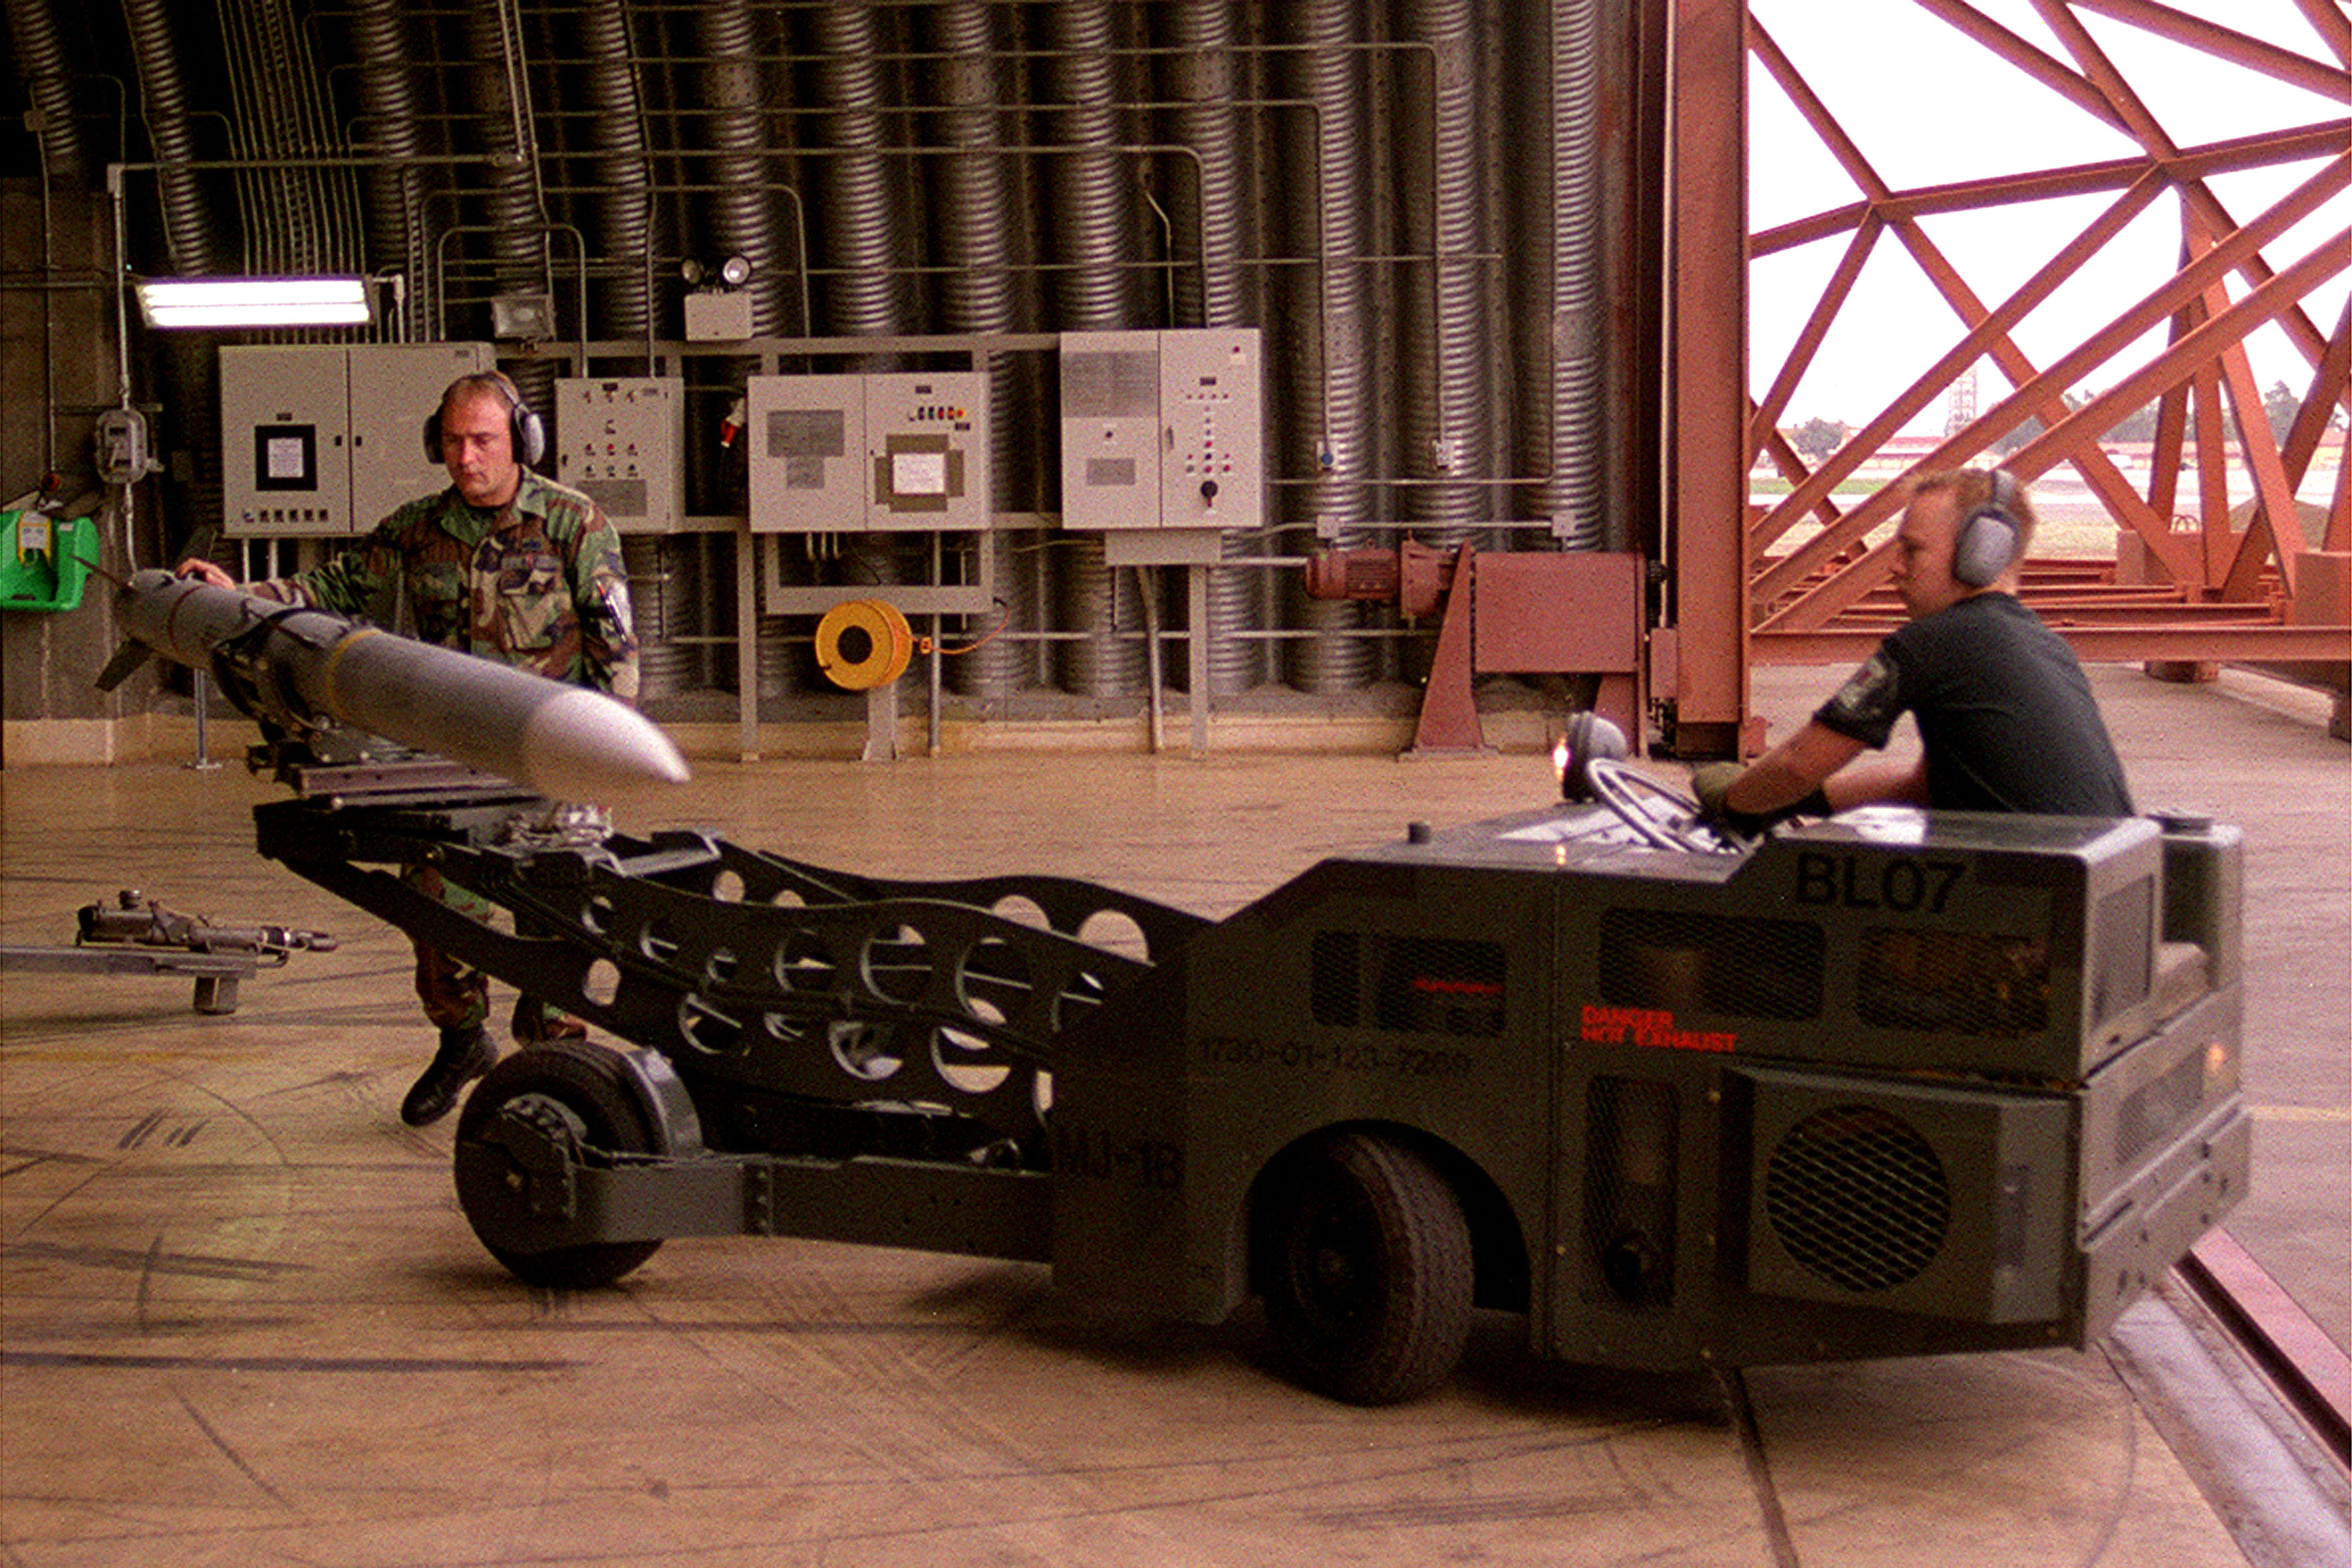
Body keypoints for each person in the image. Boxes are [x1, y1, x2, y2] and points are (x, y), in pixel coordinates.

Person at [179, 370, 640, 1126]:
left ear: (521, 440)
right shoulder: (417, 529)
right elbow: (335, 586)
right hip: (450, 759)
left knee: (557, 915)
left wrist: (604, 751)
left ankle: (557, 1061)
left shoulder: (573, 522)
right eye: (453, 442)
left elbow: (614, 641)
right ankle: (462, 1040)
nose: (467, 457)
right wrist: (240, 595)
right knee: (436, 907)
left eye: (483, 440)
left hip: (549, 756)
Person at [1691, 466, 2132, 835]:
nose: (1895, 566)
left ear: (1981, 554)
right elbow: (1924, 785)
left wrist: (1734, 801)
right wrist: (1790, 800)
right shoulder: (2047, 646)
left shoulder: (1933, 641)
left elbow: (1797, 765)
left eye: (1912, 550)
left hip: (2028, 897)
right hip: (2106, 879)